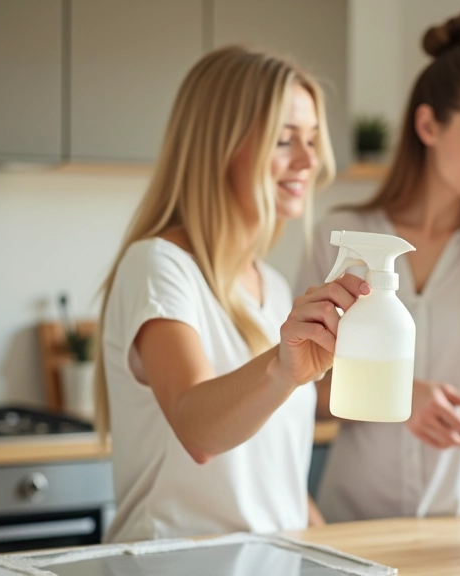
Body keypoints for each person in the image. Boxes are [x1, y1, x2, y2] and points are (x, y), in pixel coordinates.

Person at [94, 45, 369, 542]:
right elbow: (197, 430)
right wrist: (282, 370)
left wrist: (329, 544)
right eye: (286, 140)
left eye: (311, 140)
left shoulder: (273, 285)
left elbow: (266, 470)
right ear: (218, 146)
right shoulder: (159, 267)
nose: (309, 160)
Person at [300, 11, 460, 521]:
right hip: (358, 516)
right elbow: (301, 383)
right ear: (428, 125)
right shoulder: (341, 234)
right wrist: (402, 396)